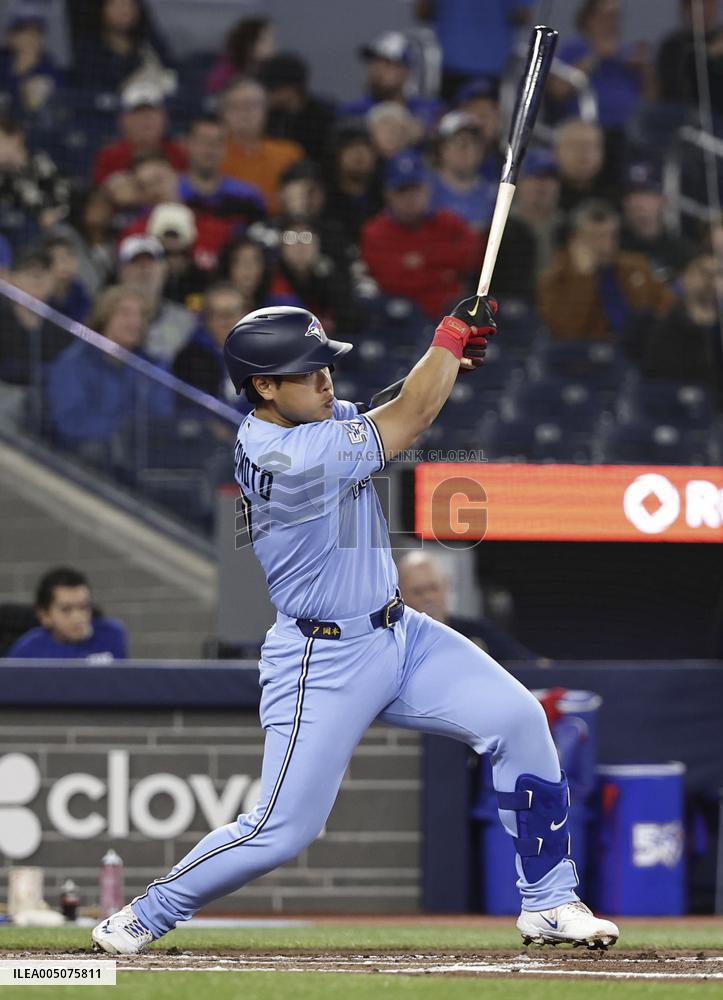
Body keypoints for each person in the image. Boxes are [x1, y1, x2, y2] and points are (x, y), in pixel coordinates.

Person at [92, 295, 619, 954]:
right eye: (306, 371)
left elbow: (391, 407)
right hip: (322, 657)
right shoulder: (286, 453)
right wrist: (447, 344)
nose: (324, 379)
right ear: (263, 385)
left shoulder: (305, 419)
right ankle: (148, 912)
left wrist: (445, 362)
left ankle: (547, 902)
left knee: (518, 719)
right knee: (282, 829)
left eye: (323, 366)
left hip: (399, 634)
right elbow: (412, 413)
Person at [47, 284, 172, 458]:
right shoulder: (74, 363)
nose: (135, 322)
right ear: (105, 317)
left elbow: (161, 418)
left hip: (139, 460)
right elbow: (70, 423)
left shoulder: (150, 367)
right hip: (84, 462)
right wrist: (119, 431)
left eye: (141, 315)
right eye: (125, 313)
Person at [360, 150, 479, 319]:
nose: (410, 198)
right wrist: (444, 273)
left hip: (448, 315)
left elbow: (473, 254)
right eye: (402, 190)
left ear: (427, 189)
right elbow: (391, 281)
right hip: (397, 320)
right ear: (388, 194)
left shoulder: (448, 222)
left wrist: (424, 260)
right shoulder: (375, 231)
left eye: (415, 189)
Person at [537, 200, 674, 343]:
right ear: (575, 240)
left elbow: (666, 307)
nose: (606, 246)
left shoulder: (635, 266)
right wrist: (583, 277)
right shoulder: (555, 277)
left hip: (638, 352)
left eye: (611, 236)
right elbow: (567, 332)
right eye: (595, 237)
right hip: (586, 357)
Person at [397, 551, 537, 661]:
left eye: (433, 588)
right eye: (418, 592)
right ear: (401, 595)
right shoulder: (396, 642)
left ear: (447, 585)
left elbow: (534, 665)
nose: (428, 598)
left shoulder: (478, 632)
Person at [549, 0, 654, 130]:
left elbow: (651, 97)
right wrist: (596, 56)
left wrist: (645, 70)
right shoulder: (574, 48)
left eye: (616, 17)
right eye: (608, 16)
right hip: (585, 126)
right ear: (590, 20)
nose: (613, 23)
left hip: (627, 129)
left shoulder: (626, 53)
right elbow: (558, 90)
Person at [642, 253, 723, 407]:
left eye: (718, 274)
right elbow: (658, 379)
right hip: (682, 409)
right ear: (685, 277)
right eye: (703, 273)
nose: (711, 281)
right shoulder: (666, 327)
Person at [415, 0, 530, 102]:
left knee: (450, 120)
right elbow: (523, 15)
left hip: (453, 59)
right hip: (493, 62)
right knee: (486, 121)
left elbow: (422, 11)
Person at [5, 567, 128, 661]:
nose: (78, 617)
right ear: (45, 616)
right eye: (66, 609)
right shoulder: (28, 649)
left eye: (83, 607)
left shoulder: (112, 634)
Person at [219, 78, 304, 214]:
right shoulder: (213, 154)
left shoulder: (289, 153)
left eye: (252, 105)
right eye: (236, 106)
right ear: (223, 114)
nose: (244, 113)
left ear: (266, 111)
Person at [340, 30, 443, 131]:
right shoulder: (354, 112)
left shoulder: (430, 111)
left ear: (407, 72)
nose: (377, 70)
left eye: (387, 64)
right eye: (374, 62)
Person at [92, 80, 187, 189]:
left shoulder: (180, 154)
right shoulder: (109, 156)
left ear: (164, 118)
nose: (146, 119)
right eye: (138, 113)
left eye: (152, 112)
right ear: (123, 121)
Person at [117, 233, 195, 363]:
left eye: (151, 261)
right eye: (135, 262)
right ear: (121, 272)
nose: (144, 268)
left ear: (165, 269)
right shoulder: (109, 319)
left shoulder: (186, 320)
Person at [179, 115, 267, 229]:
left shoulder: (248, 196)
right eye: (203, 140)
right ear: (187, 144)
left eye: (219, 141)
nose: (210, 147)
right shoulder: (170, 192)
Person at [69, 0, 174, 95]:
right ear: (102, 9)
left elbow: (171, 71)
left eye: (130, 4)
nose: (125, 11)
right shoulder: (90, 53)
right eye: (117, 5)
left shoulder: (148, 45)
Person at [0, 114, 70, 248]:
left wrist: (52, 213)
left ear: (16, 138)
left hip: (43, 233)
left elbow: (62, 195)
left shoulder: (39, 163)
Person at [0, 247, 67, 387]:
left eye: (45, 271)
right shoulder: (3, 322)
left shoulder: (61, 327)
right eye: (30, 271)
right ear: (11, 278)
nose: (38, 278)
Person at [619, 162, 695, 282]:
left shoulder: (683, 252)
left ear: (663, 200)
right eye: (632, 194)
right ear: (624, 202)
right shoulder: (612, 249)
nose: (639, 202)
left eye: (647, 194)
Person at [256, 52, 336, 164]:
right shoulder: (266, 117)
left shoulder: (325, 117)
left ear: (292, 89)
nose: (265, 94)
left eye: (271, 89)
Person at [172, 283, 244, 401]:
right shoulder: (190, 359)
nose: (226, 322)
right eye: (219, 315)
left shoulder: (261, 354)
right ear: (207, 320)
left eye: (231, 313)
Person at [428, 110, 496, 230]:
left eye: (474, 143)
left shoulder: (494, 195)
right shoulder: (425, 190)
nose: (466, 149)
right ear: (441, 148)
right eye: (459, 142)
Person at [657, 0, 723, 113]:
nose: (706, 9)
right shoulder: (674, 45)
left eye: (710, 3)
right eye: (701, 3)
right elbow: (676, 89)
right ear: (686, 8)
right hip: (690, 116)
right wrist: (708, 53)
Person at [0, 3, 63, 116]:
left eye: (36, 31)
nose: (30, 37)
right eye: (23, 31)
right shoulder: (3, 63)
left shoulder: (52, 72)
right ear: (10, 36)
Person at [554, 119, 616, 215]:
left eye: (591, 146)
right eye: (575, 145)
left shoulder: (616, 196)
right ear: (557, 151)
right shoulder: (544, 192)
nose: (584, 153)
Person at [205, 16, 277, 96]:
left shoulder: (270, 72)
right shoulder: (225, 74)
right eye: (266, 40)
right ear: (250, 44)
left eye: (273, 40)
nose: (273, 45)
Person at [215, 234, 271, 313]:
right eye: (241, 261)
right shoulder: (215, 311)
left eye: (255, 261)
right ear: (228, 267)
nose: (248, 268)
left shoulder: (273, 310)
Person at [44, 233, 92, 322]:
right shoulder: (40, 294)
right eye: (57, 257)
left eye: (69, 255)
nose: (65, 262)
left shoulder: (83, 296)